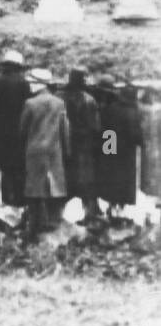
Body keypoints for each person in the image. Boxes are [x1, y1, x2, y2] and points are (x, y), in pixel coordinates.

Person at [19, 67, 69, 238]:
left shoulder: (30, 103)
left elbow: (23, 129)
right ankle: (53, 222)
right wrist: (67, 149)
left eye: (32, 82)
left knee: (34, 189)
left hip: (34, 150)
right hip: (54, 149)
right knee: (54, 186)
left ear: (38, 84)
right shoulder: (59, 103)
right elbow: (64, 129)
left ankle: (35, 226)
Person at [0, 49, 30, 206]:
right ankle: (18, 201)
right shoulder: (24, 83)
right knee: (17, 168)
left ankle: (3, 199)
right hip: (18, 132)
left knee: (1, 169)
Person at [97, 77, 142, 218]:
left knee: (111, 177)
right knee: (124, 180)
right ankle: (120, 208)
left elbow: (105, 131)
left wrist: (107, 150)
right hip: (126, 153)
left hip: (111, 147)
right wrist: (140, 143)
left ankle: (111, 205)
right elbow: (136, 135)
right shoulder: (133, 112)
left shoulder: (110, 109)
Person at [63, 68, 101, 220]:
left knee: (68, 177)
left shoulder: (62, 98)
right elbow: (97, 127)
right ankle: (89, 212)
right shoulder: (89, 100)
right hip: (85, 144)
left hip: (66, 142)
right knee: (86, 178)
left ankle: (64, 213)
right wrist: (108, 149)